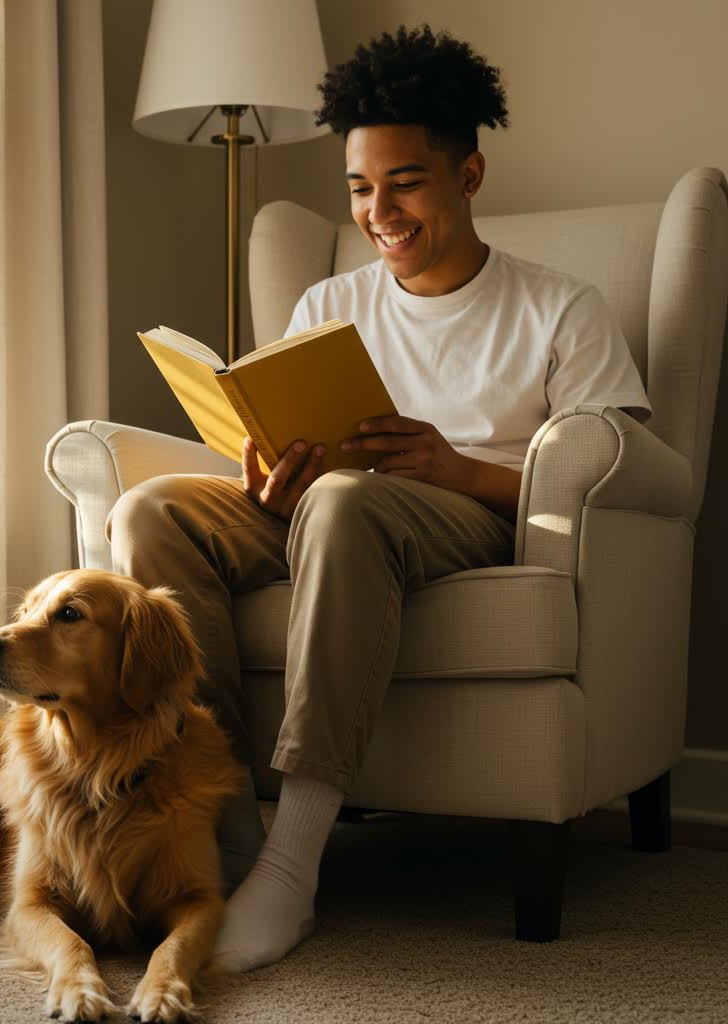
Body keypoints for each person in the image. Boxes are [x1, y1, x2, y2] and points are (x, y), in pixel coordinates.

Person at [107, 24, 651, 972]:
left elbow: (621, 471)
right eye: (360, 188)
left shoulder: (561, 306)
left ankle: (293, 862)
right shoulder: (329, 304)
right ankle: (225, 832)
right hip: (322, 511)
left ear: (469, 175)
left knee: (348, 502)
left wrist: (463, 470)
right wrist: (270, 472)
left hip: (467, 517)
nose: (379, 211)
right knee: (151, 513)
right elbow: (297, 456)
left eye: (405, 182)